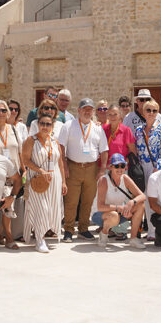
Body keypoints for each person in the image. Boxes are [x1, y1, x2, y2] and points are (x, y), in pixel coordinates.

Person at [58, 98, 109, 241]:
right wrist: (64, 166)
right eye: (84, 109)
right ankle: (68, 229)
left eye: (90, 109)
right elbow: (61, 146)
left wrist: (102, 169)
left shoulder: (98, 128)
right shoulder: (69, 125)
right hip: (73, 167)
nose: (87, 112)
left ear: (93, 112)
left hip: (92, 169)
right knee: (71, 201)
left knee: (88, 200)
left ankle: (83, 228)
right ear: (79, 110)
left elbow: (104, 149)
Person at [21, 101, 65, 253]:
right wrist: (40, 170)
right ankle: (40, 239)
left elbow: (60, 163)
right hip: (37, 180)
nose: (45, 127)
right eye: (42, 124)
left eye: (48, 124)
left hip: (54, 180)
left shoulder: (55, 142)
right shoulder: (31, 140)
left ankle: (46, 234)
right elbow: (25, 160)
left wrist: (63, 182)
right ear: (38, 124)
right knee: (42, 209)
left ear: (52, 126)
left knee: (52, 208)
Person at [95, 153, 146, 248]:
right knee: (114, 215)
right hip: (101, 214)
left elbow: (142, 196)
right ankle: (104, 234)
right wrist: (119, 208)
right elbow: (100, 207)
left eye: (122, 166)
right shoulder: (104, 180)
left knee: (140, 205)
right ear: (110, 167)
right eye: (116, 166)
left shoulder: (125, 178)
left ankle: (133, 239)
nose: (120, 169)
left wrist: (131, 202)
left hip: (118, 212)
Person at [134, 99, 161, 188]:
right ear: (143, 112)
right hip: (142, 169)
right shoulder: (139, 130)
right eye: (148, 110)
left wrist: (158, 167)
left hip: (157, 168)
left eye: (154, 111)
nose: (151, 113)